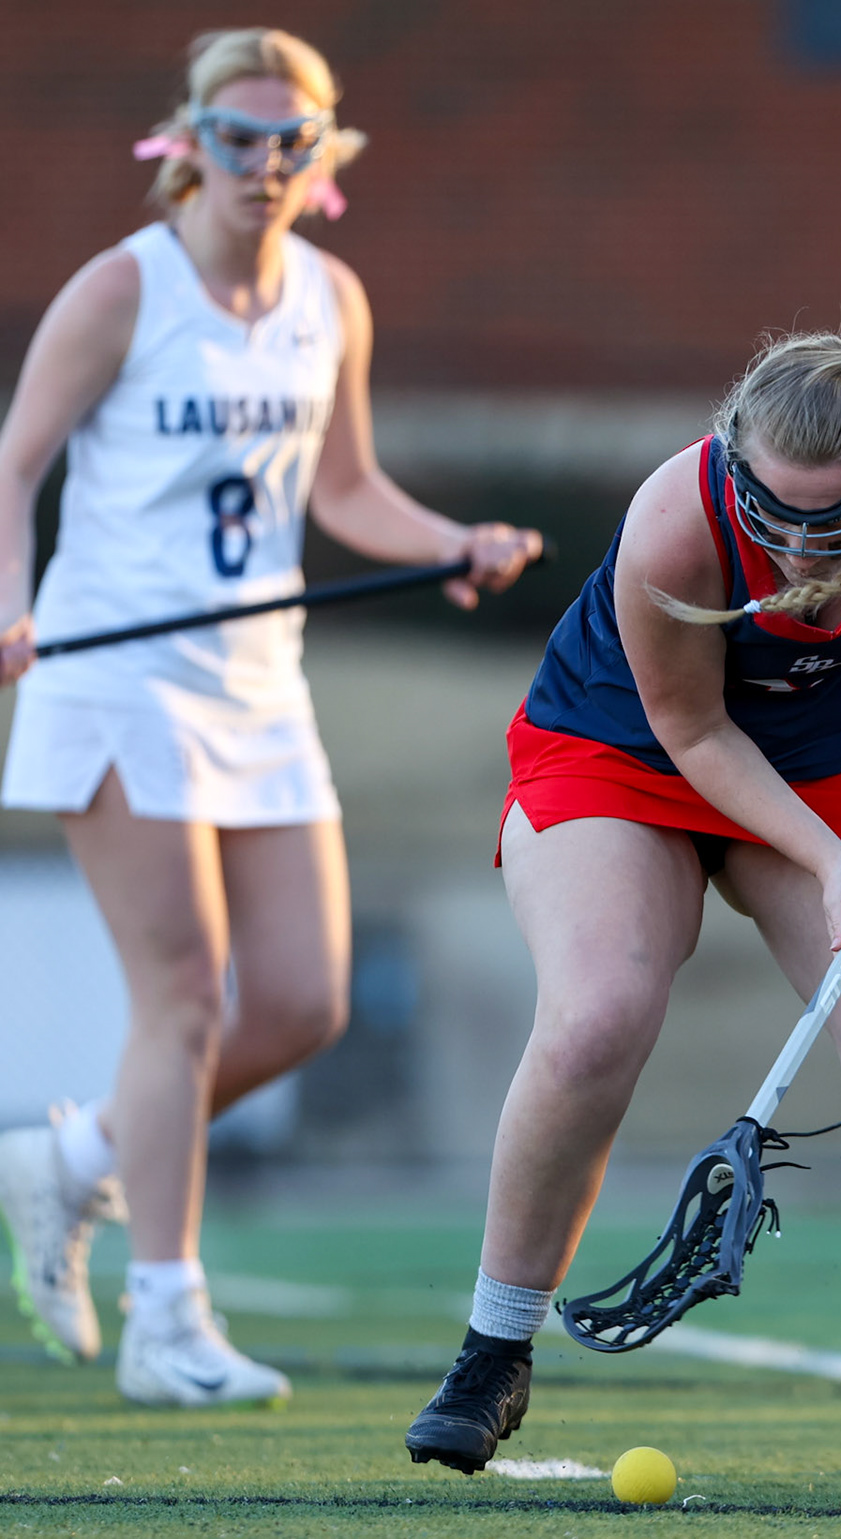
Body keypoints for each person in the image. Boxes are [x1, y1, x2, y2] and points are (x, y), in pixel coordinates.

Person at [402, 320, 841, 1500]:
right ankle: (493, 1354)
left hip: (827, 755)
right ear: (734, 458)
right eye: (771, 511)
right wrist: (828, 863)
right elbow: (694, 731)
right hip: (623, 751)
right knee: (598, 1016)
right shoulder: (676, 523)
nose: (795, 545)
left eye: (834, 520)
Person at [0, 28, 540, 1408]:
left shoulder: (328, 299)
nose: (263, 163)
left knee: (301, 1001)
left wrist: (450, 538)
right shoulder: (124, 288)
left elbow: (343, 487)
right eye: (237, 137)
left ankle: (72, 1158)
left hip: (258, 685)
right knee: (183, 996)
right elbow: (16, 462)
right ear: (189, 144)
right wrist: (9, 603)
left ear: (322, 154)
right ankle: (167, 1316)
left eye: (290, 141)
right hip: (119, 681)